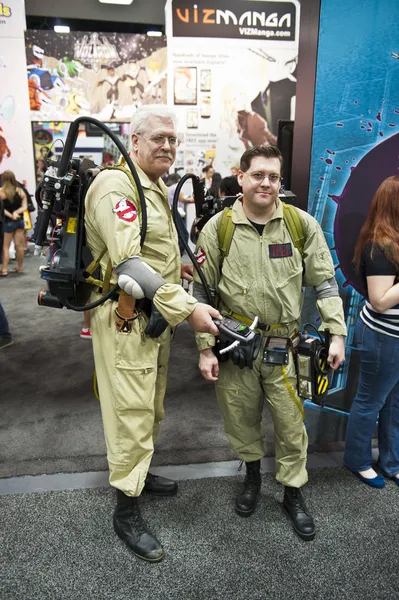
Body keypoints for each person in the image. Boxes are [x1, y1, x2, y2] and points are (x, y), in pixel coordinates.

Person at [84, 104, 221, 563]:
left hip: (152, 318)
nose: (167, 146)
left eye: (172, 139)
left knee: (152, 402)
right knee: (132, 410)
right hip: (126, 318)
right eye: (158, 138)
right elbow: (126, 263)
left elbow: (151, 249)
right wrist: (189, 307)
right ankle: (126, 508)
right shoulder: (114, 185)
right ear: (135, 140)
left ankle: (139, 474)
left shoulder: (154, 186)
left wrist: (177, 265)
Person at [193, 145, 346, 541]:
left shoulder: (300, 225)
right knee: (240, 419)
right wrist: (205, 347)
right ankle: (254, 477)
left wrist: (337, 333)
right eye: (258, 175)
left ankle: (293, 492)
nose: (266, 183)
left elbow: (326, 282)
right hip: (236, 346)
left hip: (285, 347)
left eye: (274, 177)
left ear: (281, 182)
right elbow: (201, 292)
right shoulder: (219, 228)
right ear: (241, 177)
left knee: (292, 425)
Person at [344, 176, 399, 488]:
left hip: (393, 336)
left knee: (395, 403)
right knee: (371, 402)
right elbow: (379, 301)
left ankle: (391, 462)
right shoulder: (380, 246)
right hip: (383, 336)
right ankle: (357, 460)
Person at [0, 170, 28, 276]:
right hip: (19, 221)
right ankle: (19, 268)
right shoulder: (20, 191)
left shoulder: (1, 192)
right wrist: (16, 212)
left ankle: (4, 269)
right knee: (19, 246)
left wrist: (11, 215)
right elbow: (25, 207)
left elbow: (1, 209)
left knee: (6, 247)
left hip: (8, 222)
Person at [166, 172, 194, 255]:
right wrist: (192, 200)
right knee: (183, 234)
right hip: (176, 211)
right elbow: (182, 199)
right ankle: (178, 255)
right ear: (178, 179)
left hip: (170, 210)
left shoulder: (168, 187)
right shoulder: (176, 187)